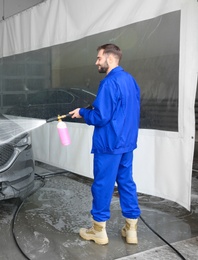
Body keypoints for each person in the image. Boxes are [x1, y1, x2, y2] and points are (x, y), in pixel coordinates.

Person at [69, 43, 141, 245]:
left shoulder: (109, 82)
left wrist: (83, 112)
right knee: (126, 183)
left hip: (109, 144)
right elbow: (126, 110)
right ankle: (131, 229)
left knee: (103, 185)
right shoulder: (130, 80)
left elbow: (101, 117)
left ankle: (98, 231)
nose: (96, 62)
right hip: (126, 143)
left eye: (98, 58)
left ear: (110, 59)